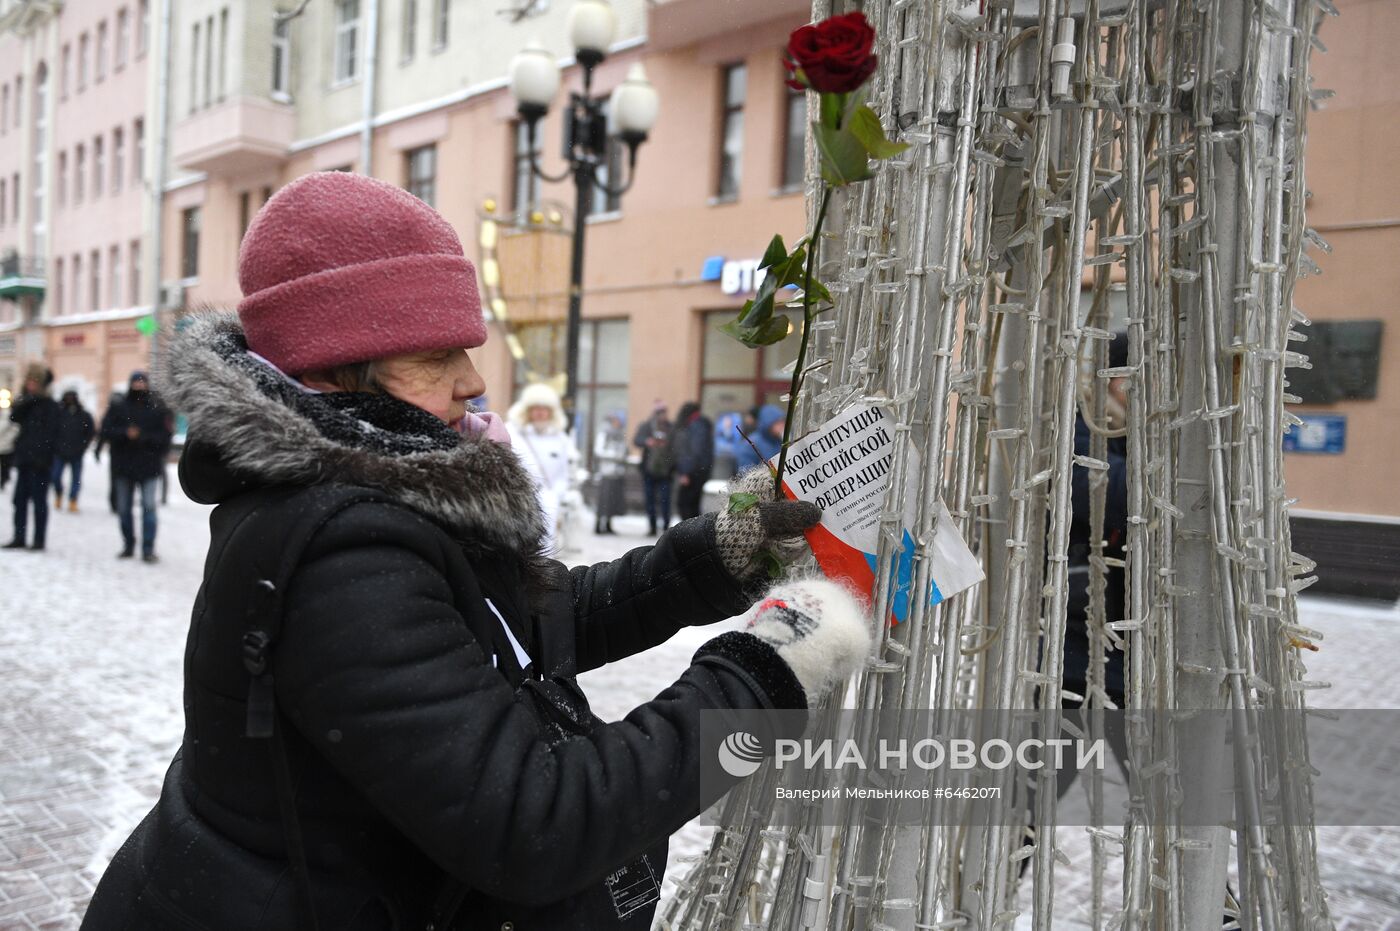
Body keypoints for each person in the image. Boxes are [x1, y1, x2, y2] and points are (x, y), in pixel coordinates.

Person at [80, 170, 871, 931]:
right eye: (434, 355)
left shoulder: (374, 485)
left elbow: (518, 622)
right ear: (332, 370)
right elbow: (535, 822)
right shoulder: (338, 549)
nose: (473, 380)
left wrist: (713, 557)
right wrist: (760, 675)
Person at [100, 371, 174, 563]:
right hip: (124, 466)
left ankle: (148, 548)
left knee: (149, 508)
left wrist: (142, 437)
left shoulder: (158, 408)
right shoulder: (119, 406)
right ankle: (128, 545)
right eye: (136, 382)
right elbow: (106, 430)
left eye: (142, 382)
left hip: (148, 466)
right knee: (124, 509)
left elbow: (165, 437)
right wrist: (125, 433)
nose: (139, 386)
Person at [506, 381, 575, 554]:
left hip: (549, 499)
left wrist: (557, 494)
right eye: (535, 408)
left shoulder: (560, 439)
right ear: (527, 410)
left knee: (545, 545)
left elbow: (564, 471)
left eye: (544, 408)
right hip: (519, 497)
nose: (540, 413)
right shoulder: (513, 433)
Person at [4, 363, 60, 551]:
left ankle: (39, 539)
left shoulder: (50, 406)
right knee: (19, 501)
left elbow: (53, 433)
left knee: (39, 502)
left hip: (41, 462)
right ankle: (19, 536)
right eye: (29, 381)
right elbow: (14, 417)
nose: (31, 385)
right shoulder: (26, 403)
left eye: (34, 381)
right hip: (24, 460)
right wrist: (27, 399)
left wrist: (46, 455)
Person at [633, 401, 674, 534]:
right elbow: (636, 440)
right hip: (649, 470)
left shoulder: (671, 428)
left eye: (663, 412)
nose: (661, 415)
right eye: (658, 412)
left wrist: (666, 446)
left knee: (665, 500)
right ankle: (652, 526)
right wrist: (647, 441)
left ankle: (666, 527)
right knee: (650, 500)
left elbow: (676, 447)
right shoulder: (646, 426)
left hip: (665, 471)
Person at [52, 389, 96, 513]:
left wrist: (83, 446)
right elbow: (52, 431)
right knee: (55, 476)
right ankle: (59, 493)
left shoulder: (83, 415)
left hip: (76, 452)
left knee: (76, 479)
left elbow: (90, 432)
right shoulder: (59, 414)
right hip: (60, 451)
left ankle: (73, 499)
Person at [670, 401, 714, 522]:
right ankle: (694, 533)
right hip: (699, 470)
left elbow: (694, 452)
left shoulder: (696, 426)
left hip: (694, 472)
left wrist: (686, 472)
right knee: (692, 504)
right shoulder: (700, 425)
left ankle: (690, 533)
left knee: (685, 504)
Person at [592, 411, 628, 535]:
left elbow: (623, 450)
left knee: (612, 501)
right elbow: (598, 451)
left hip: (616, 473)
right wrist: (614, 455)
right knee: (603, 500)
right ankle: (598, 525)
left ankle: (608, 524)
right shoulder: (604, 433)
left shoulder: (620, 434)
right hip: (606, 472)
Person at [94, 390, 125, 514]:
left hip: (120, 452)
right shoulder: (116, 413)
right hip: (118, 452)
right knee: (118, 479)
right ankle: (116, 502)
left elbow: (104, 433)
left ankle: (117, 502)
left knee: (117, 479)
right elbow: (104, 433)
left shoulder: (118, 413)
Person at [735, 403, 785, 473]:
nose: (781, 425)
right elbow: (746, 473)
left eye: (782, 421)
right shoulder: (750, 445)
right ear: (767, 424)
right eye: (777, 423)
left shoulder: (780, 441)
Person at [0, 397, 17, 491]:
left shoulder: (8, 414)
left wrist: (8, 440)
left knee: (5, 466)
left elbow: (14, 428)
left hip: (6, 446)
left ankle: (3, 481)